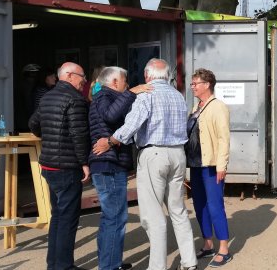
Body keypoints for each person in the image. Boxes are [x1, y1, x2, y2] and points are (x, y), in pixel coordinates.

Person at [93, 59, 197, 270]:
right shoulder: (178, 96)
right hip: (177, 154)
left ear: (148, 76)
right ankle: (189, 261)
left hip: (154, 154)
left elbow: (132, 124)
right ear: (166, 75)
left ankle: (157, 266)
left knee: (153, 214)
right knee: (178, 210)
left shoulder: (146, 94)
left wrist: (111, 141)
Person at [88, 66, 152, 270]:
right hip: (108, 164)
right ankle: (109, 266)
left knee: (111, 217)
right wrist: (131, 93)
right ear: (114, 82)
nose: (128, 85)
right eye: (125, 82)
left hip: (110, 162)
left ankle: (109, 263)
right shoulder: (104, 97)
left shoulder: (104, 96)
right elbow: (110, 116)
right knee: (115, 217)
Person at [28, 62, 91, 270]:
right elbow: (78, 134)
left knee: (57, 217)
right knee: (68, 219)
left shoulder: (47, 97)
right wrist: (84, 162)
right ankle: (63, 266)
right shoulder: (75, 99)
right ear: (70, 76)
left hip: (49, 166)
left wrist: (46, 135)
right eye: (82, 76)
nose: (84, 80)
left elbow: (33, 124)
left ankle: (53, 264)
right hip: (67, 167)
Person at [187, 68, 233, 267]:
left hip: (212, 165)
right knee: (199, 205)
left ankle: (224, 248)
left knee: (215, 206)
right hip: (196, 165)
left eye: (195, 83)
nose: (192, 87)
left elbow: (224, 139)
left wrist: (222, 165)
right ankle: (208, 244)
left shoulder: (218, 107)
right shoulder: (196, 107)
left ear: (207, 85)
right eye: (192, 83)